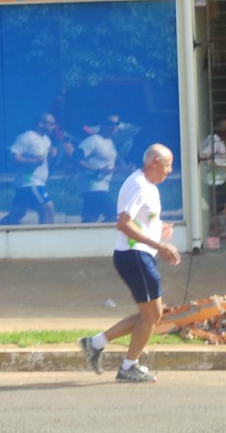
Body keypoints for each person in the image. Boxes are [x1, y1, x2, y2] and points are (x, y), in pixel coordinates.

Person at [78, 144, 181, 383]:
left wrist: (159, 230)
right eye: (168, 164)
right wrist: (160, 246)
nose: (170, 169)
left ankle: (94, 344)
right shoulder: (138, 185)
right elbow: (123, 223)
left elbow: (140, 220)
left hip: (139, 256)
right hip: (134, 256)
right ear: (154, 162)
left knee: (150, 315)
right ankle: (127, 367)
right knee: (152, 316)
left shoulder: (149, 187)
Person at [0, 113, 57, 225]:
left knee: (16, 215)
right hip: (30, 182)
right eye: (51, 123)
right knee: (47, 211)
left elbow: (45, 160)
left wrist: (52, 155)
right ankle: (47, 239)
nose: (53, 126)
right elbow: (13, 155)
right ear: (41, 123)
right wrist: (34, 161)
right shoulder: (27, 137)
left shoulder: (46, 139)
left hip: (37, 182)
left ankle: (2, 229)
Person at [75, 115, 122, 223]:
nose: (113, 126)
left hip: (102, 186)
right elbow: (75, 158)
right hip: (92, 186)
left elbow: (108, 167)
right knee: (115, 215)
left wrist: (125, 169)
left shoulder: (110, 142)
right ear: (102, 124)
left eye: (116, 124)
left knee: (89, 219)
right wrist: (96, 170)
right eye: (110, 124)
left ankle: (83, 238)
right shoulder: (92, 141)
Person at [199, 119, 226, 214]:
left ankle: (221, 224)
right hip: (213, 182)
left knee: (224, 206)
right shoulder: (214, 142)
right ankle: (221, 226)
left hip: (216, 181)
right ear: (223, 131)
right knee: (223, 209)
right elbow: (203, 156)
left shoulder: (215, 140)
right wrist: (217, 167)